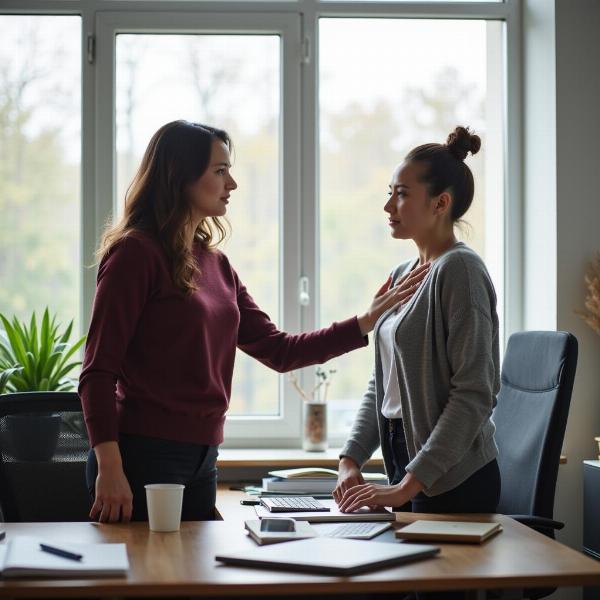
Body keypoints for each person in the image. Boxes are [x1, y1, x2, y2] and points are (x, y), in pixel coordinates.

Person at [79, 119, 430, 524]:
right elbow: (97, 373)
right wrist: (109, 464)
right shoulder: (135, 255)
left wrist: (365, 321)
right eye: (220, 170)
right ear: (181, 176)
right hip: (141, 455)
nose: (232, 183)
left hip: (203, 457)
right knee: (151, 581)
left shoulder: (217, 264)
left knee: (195, 583)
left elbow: (279, 350)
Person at [334, 126, 501, 518]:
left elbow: (475, 393)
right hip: (407, 466)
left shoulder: (460, 270)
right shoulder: (401, 274)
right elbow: (384, 384)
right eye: (389, 193)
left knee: (426, 580)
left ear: (440, 203)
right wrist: (350, 458)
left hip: (452, 478)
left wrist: (408, 485)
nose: (389, 206)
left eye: (402, 194)